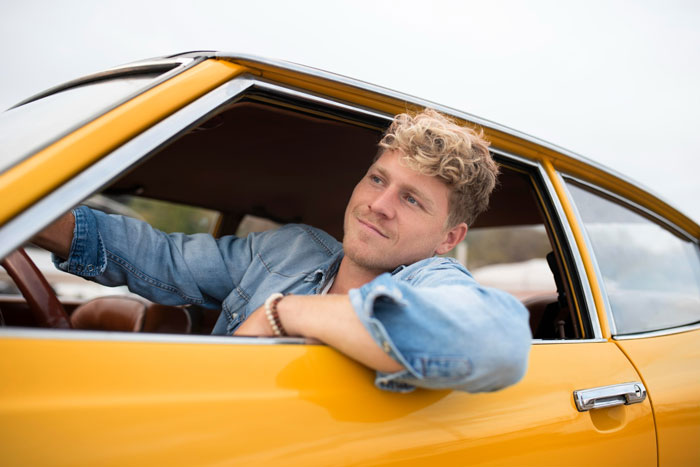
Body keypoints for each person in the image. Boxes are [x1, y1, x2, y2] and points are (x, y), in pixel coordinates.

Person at [33, 109, 531, 393]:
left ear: (448, 239)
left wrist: (282, 312)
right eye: (377, 178)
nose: (377, 205)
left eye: (411, 199)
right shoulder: (289, 250)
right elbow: (163, 257)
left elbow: (498, 343)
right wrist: (34, 220)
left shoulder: (431, 284)